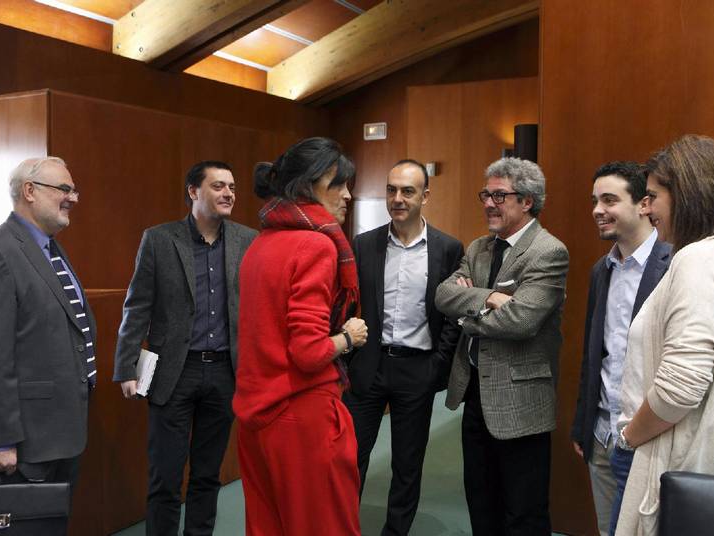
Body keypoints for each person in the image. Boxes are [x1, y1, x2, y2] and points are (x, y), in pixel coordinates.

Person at [615, 135, 714, 535]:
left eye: (652, 197)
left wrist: (629, 436)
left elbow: (681, 386)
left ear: (688, 196)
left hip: (683, 467)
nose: (645, 209)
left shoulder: (697, 260)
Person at [233, 137, 368, 536]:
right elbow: (309, 352)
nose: (347, 195)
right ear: (307, 187)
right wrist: (348, 336)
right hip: (302, 415)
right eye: (337, 185)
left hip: (255, 415)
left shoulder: (261, 243)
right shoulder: (316, 245)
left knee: (267, 526)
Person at [113, 161, 257, 536]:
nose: (229, 193)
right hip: (174, 372)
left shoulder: (248, 240)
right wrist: (126, 365)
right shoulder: (160, 239)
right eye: (218, 186)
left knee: (208, 475)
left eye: (232, 186)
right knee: (165, 477)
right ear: (193, 192)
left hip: (225, 372)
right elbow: (137, 304)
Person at [435, 157, 569, 535]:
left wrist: (467, 313)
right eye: (486, 195)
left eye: (498, 195)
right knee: (481, 503)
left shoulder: (548, 251)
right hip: (476, 394)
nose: (488, 204)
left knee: (523, 513)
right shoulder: (479, 247)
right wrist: (492, 297)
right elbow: (444, 295)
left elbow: (521, 321)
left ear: (526, 200)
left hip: (521, 402)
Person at [345, 159, 464, 535]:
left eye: (407, 191)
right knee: (350, 460)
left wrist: (437, 367)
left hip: (418, 370)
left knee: (407, 465)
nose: (397, 199)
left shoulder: (447, 248)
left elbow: (451, 316)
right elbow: (349, 305)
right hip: (369, 366)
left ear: (425, 196)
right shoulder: (364, 244)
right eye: (391, 190)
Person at [0, 157, 94, 493]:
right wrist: (0, 440)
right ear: (30, 191)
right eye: (64, 189)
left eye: (74, 190)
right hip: (23, 444)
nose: (73, 198)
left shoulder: (51, 249)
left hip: (61, 434)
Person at [571, 162, 671, 536]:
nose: (598, 210)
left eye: (609, 200)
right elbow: (593, 354)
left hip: (649, 437)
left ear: (644, 204)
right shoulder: (602, 269)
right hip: (602, 436)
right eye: (595, 201)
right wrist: (584, 425)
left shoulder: (675, 263)